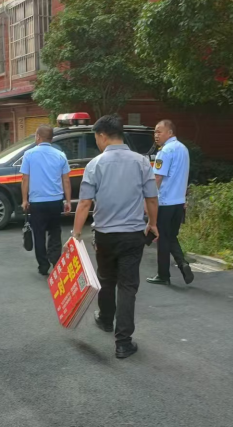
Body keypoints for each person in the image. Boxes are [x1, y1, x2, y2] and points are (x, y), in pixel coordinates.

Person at [69, 115, 159, 359]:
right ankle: (123, 343)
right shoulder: (141, 162)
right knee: (128, 287)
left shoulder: (95, 164)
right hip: (132, 235)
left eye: (96, 138)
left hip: (105, 235)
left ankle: (106, 319)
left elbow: (85, 203)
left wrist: (76, 234)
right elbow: (152, 198)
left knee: (106, 279)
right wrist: (152, 223)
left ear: (102, 136)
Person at [146, 120, 194, 286]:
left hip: (165, 201)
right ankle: (182, 263)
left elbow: (158, 177)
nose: (156, 135)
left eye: (159, 131)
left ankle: (163, 275)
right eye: (155, 132)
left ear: (170, 133)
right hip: (179, 202)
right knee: (170, 236)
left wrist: (150, 199)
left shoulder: (165, 151)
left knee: (162, 239)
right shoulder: (183, 149)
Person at [21, 125, 72, 276]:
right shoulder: (60, 155)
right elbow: (66, 180)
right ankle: (55, 260)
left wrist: (24, 200)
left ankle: (43, 265)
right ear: (51, 139)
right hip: (56, 201)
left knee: (39, 234)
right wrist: (68, 201)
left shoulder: (29, 154)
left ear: (38, 137)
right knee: (55, 232)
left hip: (37, 202)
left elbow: (25, 179)